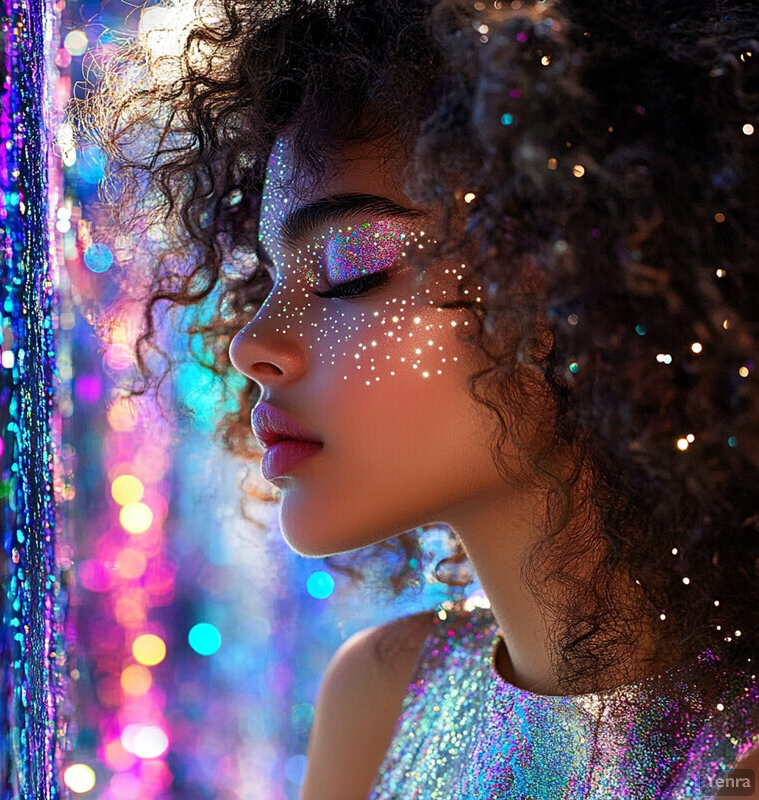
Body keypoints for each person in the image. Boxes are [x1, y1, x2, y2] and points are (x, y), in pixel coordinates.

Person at [81, 0, 759, 796]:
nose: (250, 343)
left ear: (581, 284)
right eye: (268, 279)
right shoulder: (379, 696)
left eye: (348, 268)